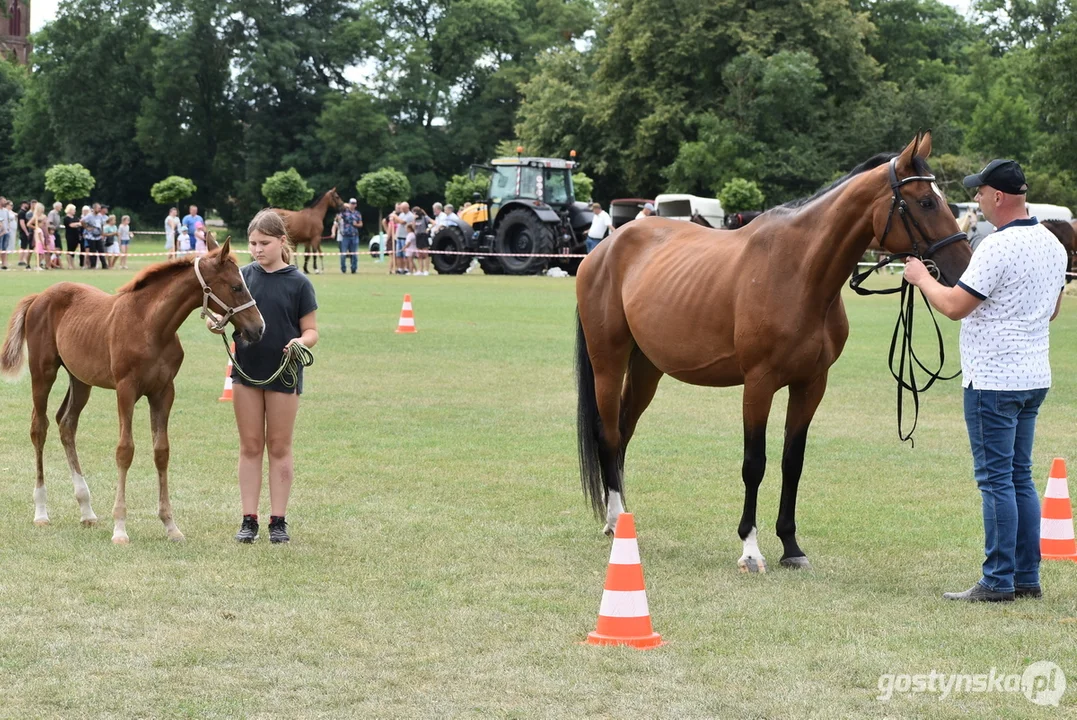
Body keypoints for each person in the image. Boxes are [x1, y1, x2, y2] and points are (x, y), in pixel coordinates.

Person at [903, 159, 1067, 603]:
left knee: (996, 480)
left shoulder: (997, 246)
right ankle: (1025, 577)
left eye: (979, 192)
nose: (976, 199)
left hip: (994, 379)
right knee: (1019, 477)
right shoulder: (1052, 243)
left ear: (997, 196)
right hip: (1033, 375)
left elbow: (956, 306)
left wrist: (921, 278)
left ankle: (997, 580)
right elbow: (1052, 309)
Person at [208, 209, 318, 544]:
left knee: (280, 447)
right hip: (247, 372)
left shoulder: (299, 283)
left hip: (284, 374)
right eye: (253, 242)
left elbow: (311, 330)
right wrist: (217, 324)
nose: (257, 249)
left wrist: (301, 342)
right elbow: (225, 315)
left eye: (264, 243)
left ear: (281, 242)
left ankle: (279, 521)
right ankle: (249, 519)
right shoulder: (243, 277)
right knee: (251, 446)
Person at [337, 198, 363, 274]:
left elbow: (361, 224)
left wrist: (356, 224)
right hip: (345, 236)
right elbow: (338, 218)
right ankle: (343, 269)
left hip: (354, 236)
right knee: (343, 254)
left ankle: (354, 269)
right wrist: (338, 218)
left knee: (354, 254)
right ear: (349, 204)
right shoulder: (344, 212)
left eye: (354, 203)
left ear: (356, 205)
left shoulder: (358, 213)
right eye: (351, 203)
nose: (353, 205)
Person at [62, 204, 81, 269]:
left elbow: (80, 223)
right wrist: (77, 224)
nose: (75, 211)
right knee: (69, 250)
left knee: (73, 250)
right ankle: (69, 264)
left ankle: (73, 264)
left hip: (76, 235)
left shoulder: (75, 217)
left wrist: (77, 224)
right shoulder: (66, 218)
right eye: (73, 210)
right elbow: (71, 225)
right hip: (70, 236)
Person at [413, 206, 430, 275]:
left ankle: (426, 270)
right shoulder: (415, 219)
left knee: (425, 254)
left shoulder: (425, 218)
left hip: (424, 236)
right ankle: (420, 270)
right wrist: (413, 219)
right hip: (418, 236)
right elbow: (413, 227)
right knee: (419, 254)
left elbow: (434, 222)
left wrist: (428, 229)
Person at [0, 197, 15, 270]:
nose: (5, 202)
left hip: (6, 232)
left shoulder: (6, 211)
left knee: (4, 249)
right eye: (3, 201)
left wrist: (8, 229)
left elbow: (8, 220)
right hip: (0, 232)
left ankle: (4, 264)